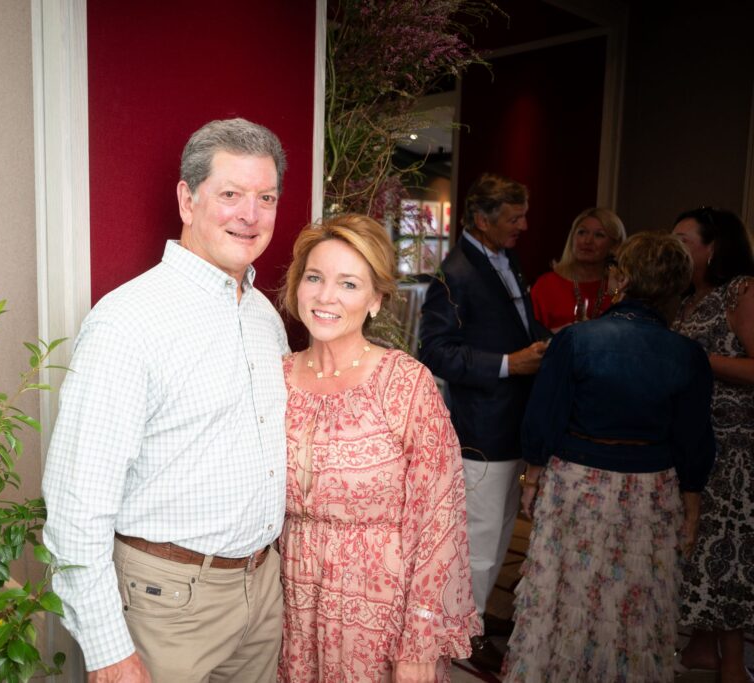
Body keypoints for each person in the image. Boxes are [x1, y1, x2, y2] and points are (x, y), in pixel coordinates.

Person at [41, 118, 290, 683]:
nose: (249, 215)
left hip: (261, 594)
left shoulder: (264, 317)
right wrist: (108, 651)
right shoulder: (127, 321)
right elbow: (76, 506)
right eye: (230, 195)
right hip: (166, 604)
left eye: (266, 197)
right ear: (187, 198)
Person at [505, 232, 716, 682]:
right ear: (675, 288)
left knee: (565, 593)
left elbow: (545, 416)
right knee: (635, 601)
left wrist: (534, 477)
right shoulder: (689, 355)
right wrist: (692, 504)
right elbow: (693, 438)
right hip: (651, 490)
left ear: (621, 280)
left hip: (577, 482)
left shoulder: (577, 340)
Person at [277, 214, 477, 683]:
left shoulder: (405, 384)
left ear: (375, 300)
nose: (326, 297)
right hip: (288, 606)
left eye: (348, 284)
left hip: (380, 613)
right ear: (297, 287)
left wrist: (422, 636)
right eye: (315, 278)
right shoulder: (275, 378)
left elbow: (439, 516)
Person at [418, 173, 549, 673]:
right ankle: (458, 638)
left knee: (495, 539)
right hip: (481, 430)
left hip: (512, 424)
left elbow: (516, 324)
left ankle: (471, 617)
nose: (524, 226)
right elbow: (435, 351)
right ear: (482, 219)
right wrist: (508, 364)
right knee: (477, 540)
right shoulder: (454, 273)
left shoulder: (506, 259)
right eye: (514, 218)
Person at [671, 207, 754, 683]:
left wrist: (699, 359)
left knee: (728, 553)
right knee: (697, 549)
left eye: (683, 240)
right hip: (694, 442)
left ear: (713, 247)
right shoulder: (686, 300)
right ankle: (702, 647)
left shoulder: (740, 290)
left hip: (734, 445)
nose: (674, 249)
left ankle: (735, 667)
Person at [530, 207, 626, 331]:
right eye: (582, 232)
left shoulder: (619, 287)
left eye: (599, 235)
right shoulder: (546, 285)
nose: (587, 241)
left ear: (614, 246)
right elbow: (529, 339)